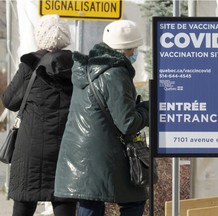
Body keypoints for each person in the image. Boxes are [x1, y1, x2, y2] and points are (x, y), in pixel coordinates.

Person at [54, 20, 149, 216]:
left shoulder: (88, 67)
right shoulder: (115, 73)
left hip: (79, 153)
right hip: (103, 153)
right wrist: (149, 110)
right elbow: (127, 122)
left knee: (91, 202)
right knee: (134, 200)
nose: (135, 53)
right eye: (134, 49)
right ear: (127, 50)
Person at [1, 14, 77, 216]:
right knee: (63, 200)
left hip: (30, 149)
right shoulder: (77, 67)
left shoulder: (30, 65)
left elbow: (10, 101)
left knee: (24, 202)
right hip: (66, 148)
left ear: (41, 37)